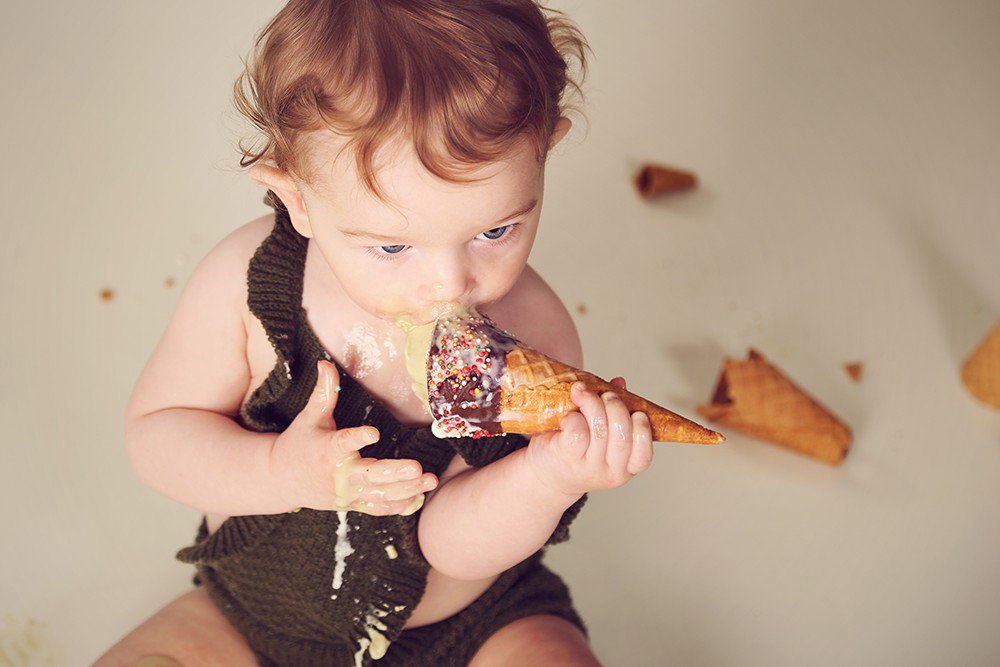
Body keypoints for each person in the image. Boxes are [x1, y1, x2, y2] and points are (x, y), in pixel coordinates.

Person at [97, 1, 654, 665]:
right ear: (299, 200)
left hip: (468, 627)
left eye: (494, 231)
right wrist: (279, 471)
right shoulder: (248, 285)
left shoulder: (535, 335)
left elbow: (450, 544)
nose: (450, 283)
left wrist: (548, 477)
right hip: (249, 615)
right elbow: (157, 435)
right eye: (393, 248)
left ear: (544, 155)